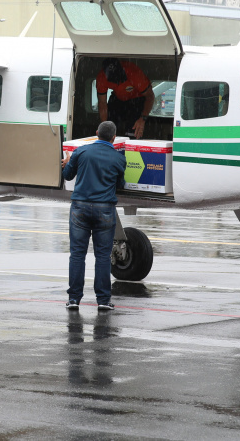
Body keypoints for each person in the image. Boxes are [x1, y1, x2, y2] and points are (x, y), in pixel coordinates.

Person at [61, 121, 126, 311]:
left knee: (77, 255)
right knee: (103, 256)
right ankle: (103, 300)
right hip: (104, 209)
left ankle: (74, 299)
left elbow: (67, 175)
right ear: (114, 137)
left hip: (80, 208)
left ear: (96, 133)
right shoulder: (119, 158)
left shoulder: (81, 152)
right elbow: (120, 184)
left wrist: (67, 162)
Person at [96, 58, 155, 139]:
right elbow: (102, 103)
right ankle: (109, 141)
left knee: (134, 129)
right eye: (113, 81)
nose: (117, 83)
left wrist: (143, 118)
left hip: (137, 99)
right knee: (109, 125)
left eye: (119, 80)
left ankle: (133, 142)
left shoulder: (134, 73)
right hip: (118, 98)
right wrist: (104, 126)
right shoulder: (101, 78)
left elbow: (150, 96)